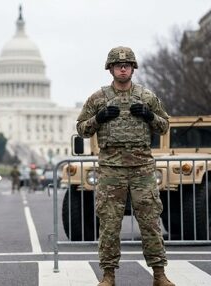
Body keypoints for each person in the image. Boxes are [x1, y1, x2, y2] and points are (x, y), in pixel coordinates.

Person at [76, 46, 174, 286]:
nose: (123, 68)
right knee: (109, 224)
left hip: (142, 168)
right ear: (110, 69)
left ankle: (159, 275)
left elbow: (164, 126)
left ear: (133, 68)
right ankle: (108, 275)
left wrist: (149, 116)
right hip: (111, 169)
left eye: (127, 65)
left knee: (150, 222)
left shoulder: (147, 97)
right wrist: (98, 119)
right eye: (118, 65)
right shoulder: (98, 98)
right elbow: (81, 129)